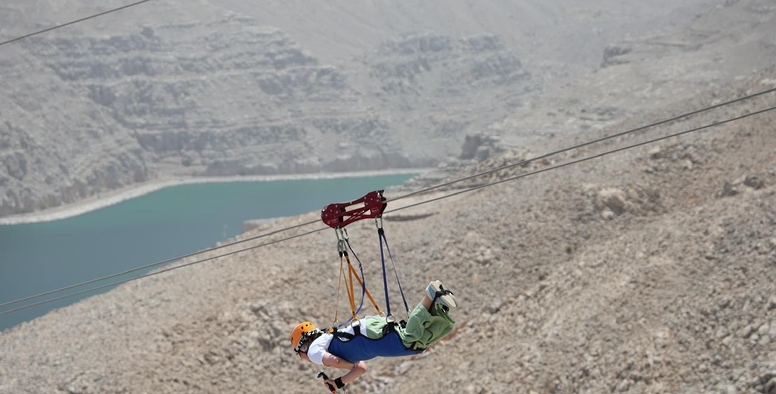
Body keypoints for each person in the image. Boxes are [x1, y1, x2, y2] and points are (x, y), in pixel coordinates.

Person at [290, 280, 459, 391]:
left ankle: (430, 295)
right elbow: (361, 368)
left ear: (303, 346)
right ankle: (439, 307)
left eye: (299, 355)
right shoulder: (328, 342)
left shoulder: (313, 351)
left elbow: (335, 362)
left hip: (368, 336)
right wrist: (339, 382)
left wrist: (348, 367)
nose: (303, 358)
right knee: (418, 345)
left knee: (408, 341)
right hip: (368, 333)